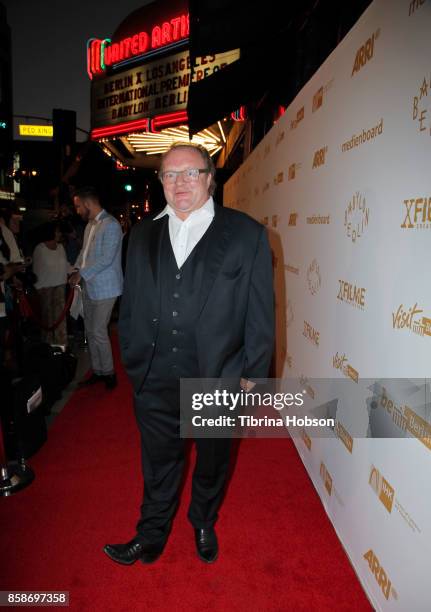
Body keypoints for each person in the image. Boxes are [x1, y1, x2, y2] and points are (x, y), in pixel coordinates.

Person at [104, 143, 274, 566]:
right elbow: (133, 305)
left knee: (213, 462)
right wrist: (135, 363)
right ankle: (151, 533)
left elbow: (260, 319)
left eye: (190, 173)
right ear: (160, 181)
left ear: (210, 179)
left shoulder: (247, 234)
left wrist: (252, 383)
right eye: (169, 174)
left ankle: (202, 520)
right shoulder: (141, 234)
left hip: (216, 380)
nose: (180, 182)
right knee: (158, 463)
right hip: (154, 379)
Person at [69, 187, 123, 390]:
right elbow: (85, 252)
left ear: (88, 203)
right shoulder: (91, 225)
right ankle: (98, 371)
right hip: (90, 285)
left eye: (78, 206)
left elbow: (106, 259)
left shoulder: (111, 225)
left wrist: (81, 274)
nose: (77, 210)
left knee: (99, 331)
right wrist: (75, 268)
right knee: (90, 331)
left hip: (107, 288)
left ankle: (109, 373)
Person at [32, 223, 69, 346]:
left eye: (59, 232)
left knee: (60, 319)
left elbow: (65, 265)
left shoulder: (61, 247)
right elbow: (35, 271)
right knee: (47, 320)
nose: (59, 234)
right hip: (45, 288)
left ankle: (61, 347)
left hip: (60, 287)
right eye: (57, 231)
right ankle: (48, 347)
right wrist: (38, 289)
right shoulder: (40, 248)